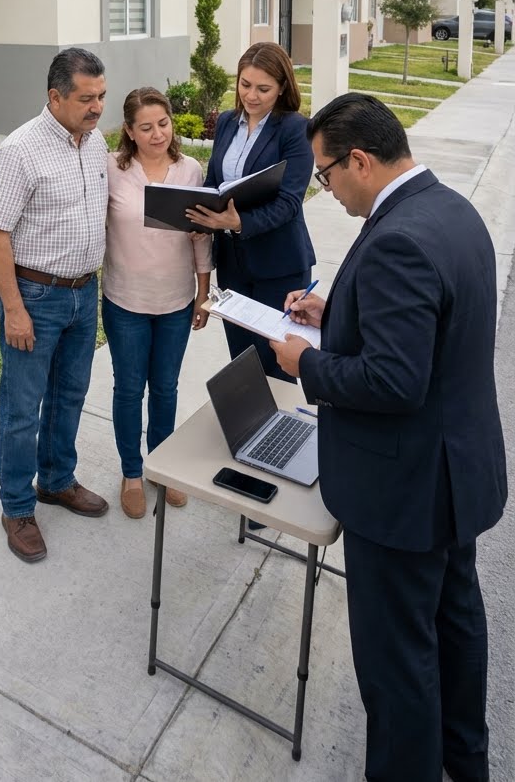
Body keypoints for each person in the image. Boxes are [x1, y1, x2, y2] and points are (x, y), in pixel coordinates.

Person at [271, 93, 507, 782]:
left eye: (326, 173)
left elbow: (394, 380)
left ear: (362, 161)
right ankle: (467, 760)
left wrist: (306, 362)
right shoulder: (451, 210)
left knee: (399, 662)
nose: (328, 187)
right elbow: (430, 330)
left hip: (403, 495)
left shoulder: (397, 237)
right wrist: (335, 311)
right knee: (456, 623)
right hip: (455, 477)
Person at [0, 47, 110, 565]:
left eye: (101, 96)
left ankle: (56, 481)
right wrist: (14, 308)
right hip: (36, 296)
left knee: (71, 394)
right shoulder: (20, 150)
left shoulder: (95, 139)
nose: (98, 106)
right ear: (55, 97)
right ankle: (16, 507)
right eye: (86, 98)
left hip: (85, 292)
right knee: (21, 408)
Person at [102, 87, 212, 519]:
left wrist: (204, 294)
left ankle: (161, 467)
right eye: (145, 127)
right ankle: (132, 473)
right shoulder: (112, 169)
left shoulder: (190, 171)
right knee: (130, 389)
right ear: (129, 131)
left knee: (165, 388)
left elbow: (201, 239)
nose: (156, 134)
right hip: (125, 300)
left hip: (176, 300)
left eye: (163, 124)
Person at [186, 41, 314, 382]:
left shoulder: (295, 129)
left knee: (278, 366)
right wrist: (206, 221)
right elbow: (215, 182)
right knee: (244, 362)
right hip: (233, 265)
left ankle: (282, 433)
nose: (252, 96)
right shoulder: (227, 122)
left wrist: (239, 221)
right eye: (245, 85)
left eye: (263, 89)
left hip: (279, 266)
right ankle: (253, 435)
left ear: (283, 87)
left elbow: (289, 202)